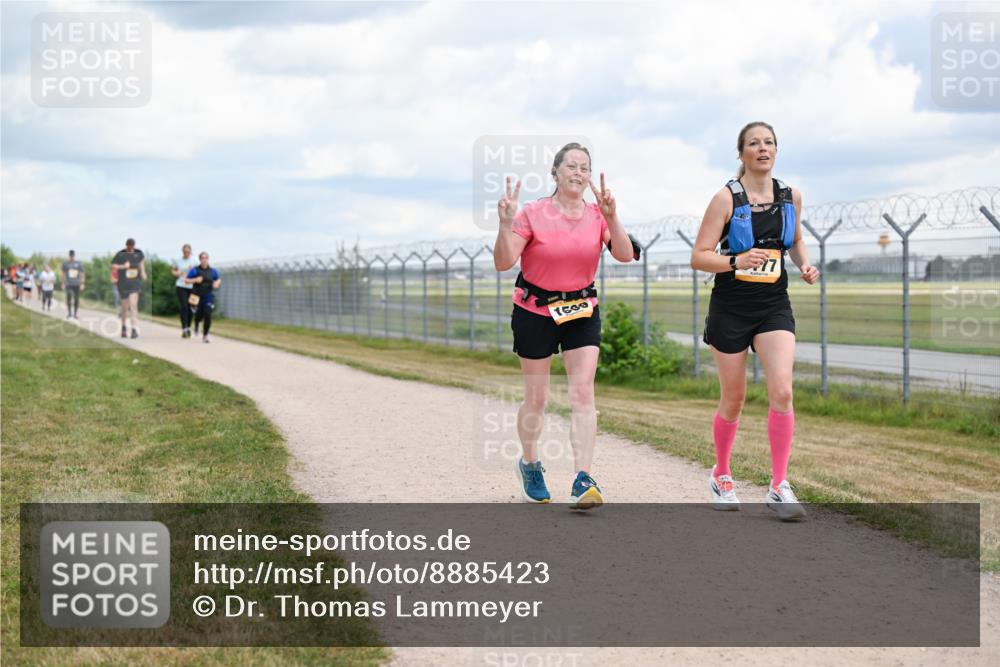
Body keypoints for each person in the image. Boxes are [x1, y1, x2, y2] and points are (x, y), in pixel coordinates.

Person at [493, 143, 636, 510]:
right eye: (571, 166)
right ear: (555, 172)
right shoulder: (533, 213)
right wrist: (505, 224)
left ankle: (582, 478)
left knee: (582, 392)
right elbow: (504, 261)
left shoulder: (597, 214)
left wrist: (613, 217)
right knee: (537, 398)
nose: (578, 172)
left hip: (580, 310)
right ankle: (530, 464)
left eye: (585, 168)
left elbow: (623, 254)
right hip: (534, 310)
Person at [690, 121, 820, 521]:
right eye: (753, 143)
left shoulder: (790, 195)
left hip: (773, 304)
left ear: (776, 151)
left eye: (769, 143)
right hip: (730, 306)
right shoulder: (725, 198)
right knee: (734, 398)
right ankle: (722, 474)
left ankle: (779, 485)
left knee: (782, 391)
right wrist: (736, 261)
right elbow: (699, 256)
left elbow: (795, 239)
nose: (762, 148)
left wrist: (805, 264)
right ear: (741, 153)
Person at [111, 238, 146, 338]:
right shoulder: (121, 254)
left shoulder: (139, 253)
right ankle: (123, 327)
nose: (131, 248)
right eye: (129, 246)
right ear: (127, 245)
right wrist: (123, 266)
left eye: (133, 246)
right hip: (123, 284)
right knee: (125, 308)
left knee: (133, 305)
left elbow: (141, 263)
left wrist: (143, 272)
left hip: (135, 283)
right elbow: (113, 266)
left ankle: (134, 329)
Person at [185, 252, 221, 343]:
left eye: (206, 258)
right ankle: (197, 323)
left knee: (208, 313)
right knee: (198, 314)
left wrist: (217, 283)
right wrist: (195, 280)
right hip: (196, 295)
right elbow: (186, 280)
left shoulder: (213, 271)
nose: (204, 260)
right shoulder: (195, 270)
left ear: (208, 259)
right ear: (200, 259)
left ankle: (205, 335)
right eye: (202, 258)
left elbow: (218, 279)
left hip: (208, 295)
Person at [171, 244, 197, 337]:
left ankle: (189, 327)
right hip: (181, 285)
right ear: (182, 252)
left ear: (190, 252)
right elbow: (173, 271)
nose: (186, 253)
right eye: (184, 251)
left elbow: (198, 273)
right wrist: (177, 273)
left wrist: (193, 272)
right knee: (184, 307)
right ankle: (184, 328)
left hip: (192, 287)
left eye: (188, 251)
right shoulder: (178, 261)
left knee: (191, 308)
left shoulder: (194, 262)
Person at [62, 250, 85, 319]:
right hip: (69, 283)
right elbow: (63, 274)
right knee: (69, 296)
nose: (72, 257)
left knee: (76, 299)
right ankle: (69, 313)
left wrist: (82, 283)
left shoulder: (78, 264)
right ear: (69, 256)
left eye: (73, 256)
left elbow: (82, 274)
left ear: (74, 256)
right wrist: (63, 283)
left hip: (77, 283)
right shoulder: (66, 264)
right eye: (70, 256)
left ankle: (75, 313)